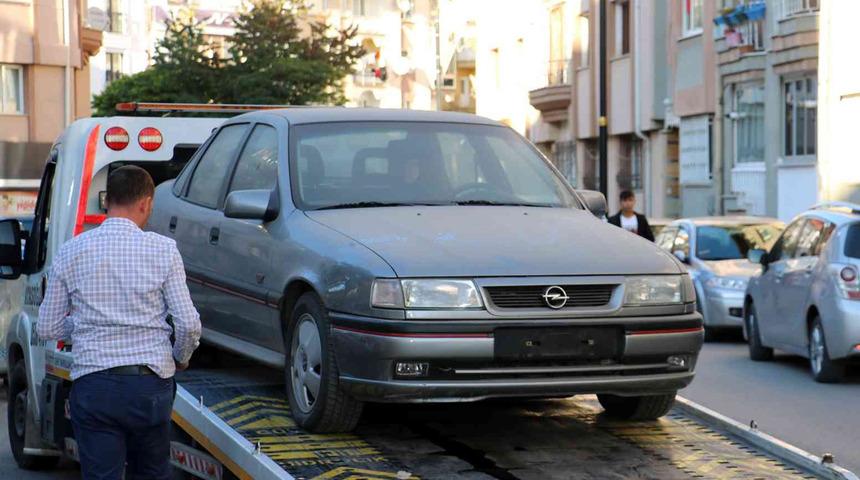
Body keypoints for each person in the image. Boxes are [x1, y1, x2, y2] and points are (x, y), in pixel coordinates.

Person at [37, 165, 201, 480]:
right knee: (152, 474)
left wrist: (84, 325)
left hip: (94, 386)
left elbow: (47, 327)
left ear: (107, 201)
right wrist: (181, 357)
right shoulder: (164, 250)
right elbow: (189, 324)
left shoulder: (72, 251)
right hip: (149, 386)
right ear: (146, 203)